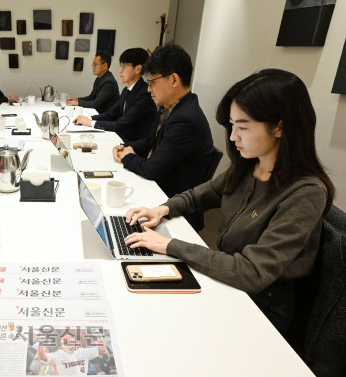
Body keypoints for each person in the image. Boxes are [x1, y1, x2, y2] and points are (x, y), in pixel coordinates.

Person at [124, 68, 335, 333]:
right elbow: (205, 193)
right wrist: (163, 208)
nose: (233, 137)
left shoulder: (306, 192)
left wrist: (171, 245)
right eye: (232, 126)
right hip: (229, 275)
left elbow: (251, 271)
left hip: (263, 303)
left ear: (280, 126)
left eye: (243, 127)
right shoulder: (249, 165)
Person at [112, 44, 214, 229]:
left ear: (173, 79)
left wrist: (127, 156)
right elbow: (149, 141)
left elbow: (152, 169)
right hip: (159, 190)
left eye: (152, 82)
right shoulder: (168, 107)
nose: (149, 89)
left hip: (172, 205)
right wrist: (128, 147)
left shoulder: (186, 119)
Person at [73, 48, 155, 143]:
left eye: (124, 67)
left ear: (137, 69)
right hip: (120, 138)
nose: (120, 70)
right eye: (120, 66)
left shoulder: (144, 93)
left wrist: (90, 123)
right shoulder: (126, 90)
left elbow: (122, 123)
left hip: (132, 145)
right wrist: (89, 119)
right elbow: (110, 114)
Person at [37, 331, 108, 375]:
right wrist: (40, 341)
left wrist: (97, 334)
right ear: (62, 345)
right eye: (66, 343)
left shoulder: (83, 352)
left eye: (71, 341)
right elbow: (42, 357)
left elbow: (103, 350)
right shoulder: (58, 354)